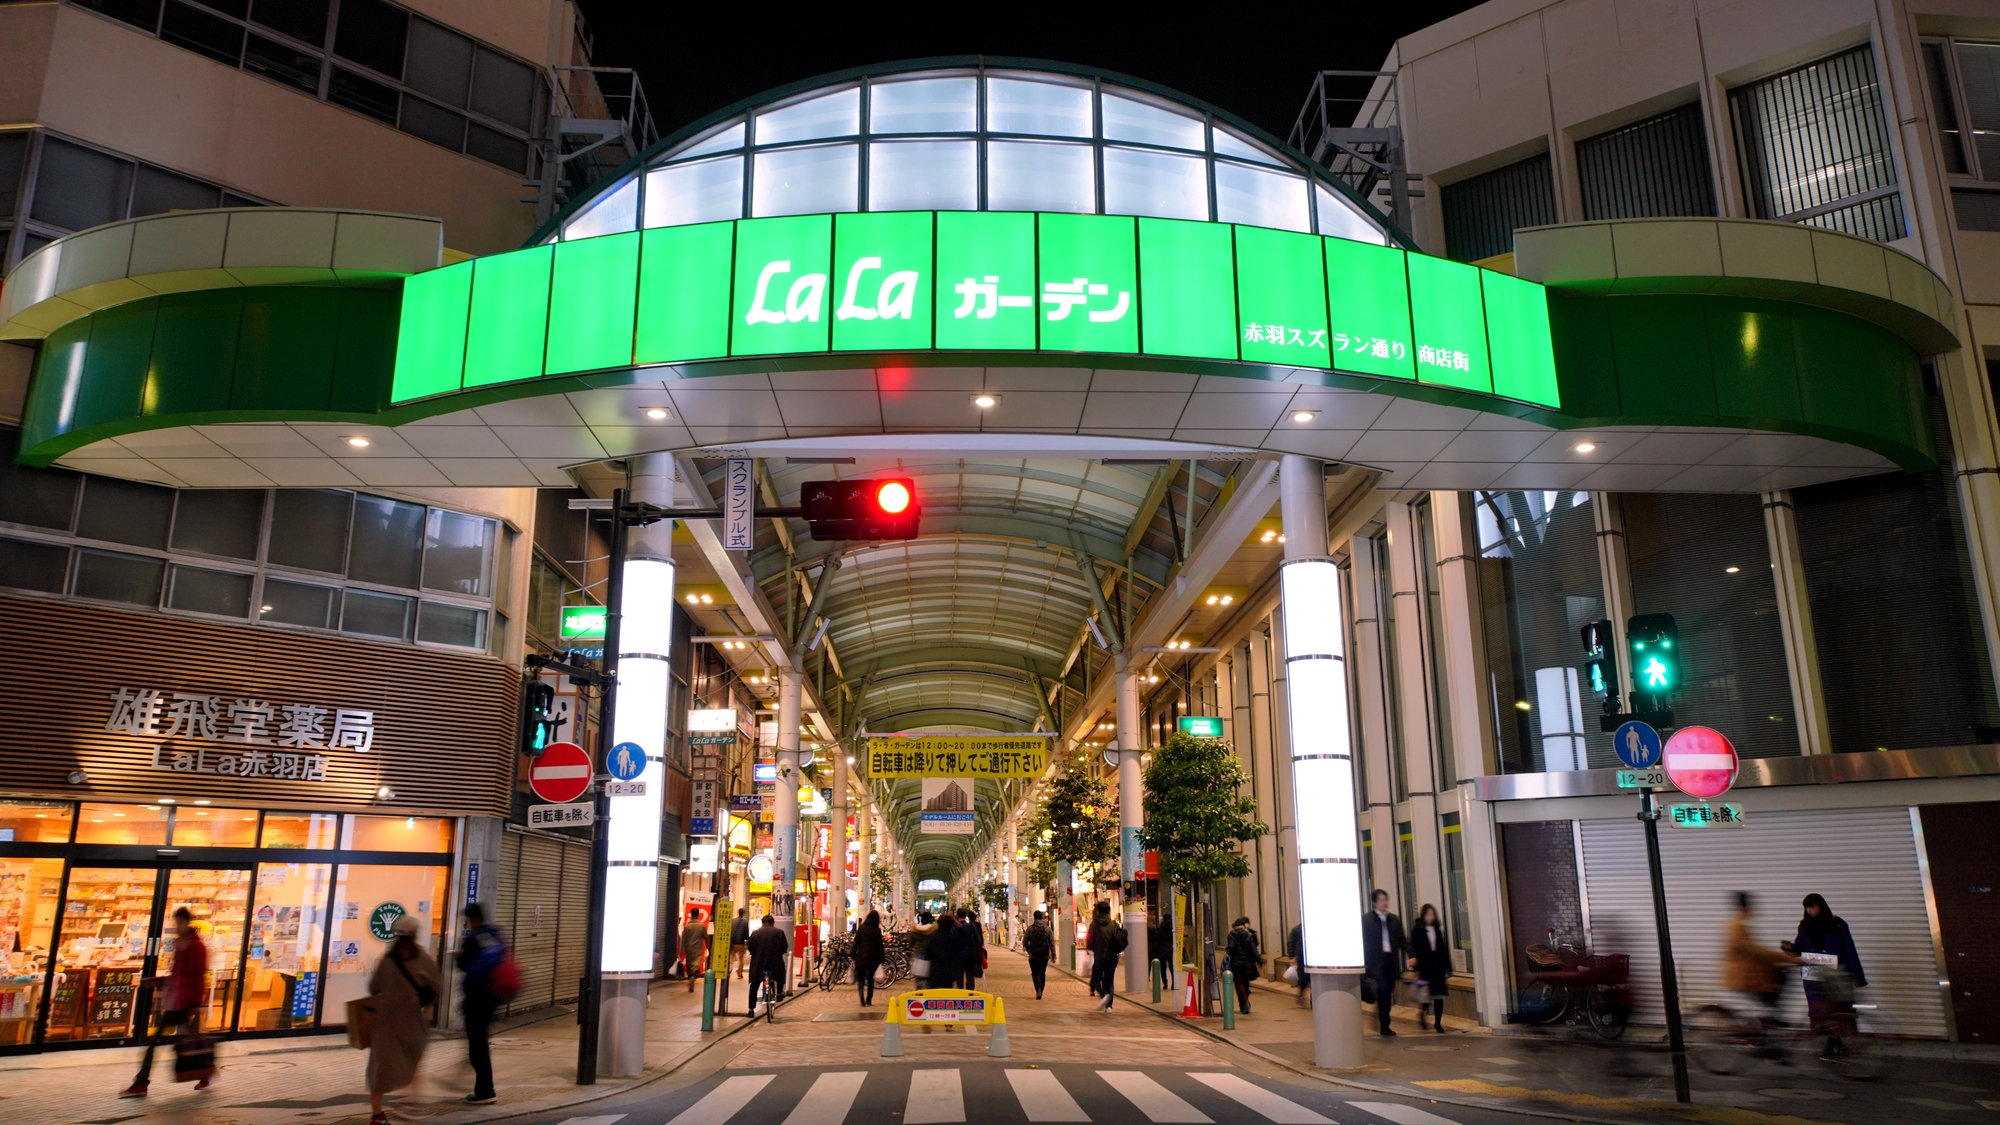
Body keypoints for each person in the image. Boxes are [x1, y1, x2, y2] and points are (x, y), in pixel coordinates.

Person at [121, 907, 212, 1098]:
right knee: (184, 1043)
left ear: (186, 923)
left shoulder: (196, 946)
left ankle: (141, 1083)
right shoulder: (181, 944)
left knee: (159, 1043)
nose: (176, 927)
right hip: (176, 1000)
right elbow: (177, 974)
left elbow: (197, 975)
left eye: (178, 923)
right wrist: (159, 982)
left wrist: (196, 1001)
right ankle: (204, 1073)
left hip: (184, 1001)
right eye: (175, 923)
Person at [366, 914, 441, 1125]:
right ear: (415, 934)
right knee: (413, 1060)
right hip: (411, 1020)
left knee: (380, 1066)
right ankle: (410, 1103)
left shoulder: (388, 959)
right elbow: (437, 986)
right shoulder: (423, 958)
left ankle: (377, 1115)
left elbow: (373, 987)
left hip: (385, 1020)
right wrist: (427, 1005)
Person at [1723, 891, 1801, 1056]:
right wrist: (1789, 959)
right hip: (1744, 978)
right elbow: (1756, 951)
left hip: (1749, 975)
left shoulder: (1738, 924)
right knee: (1773, 998)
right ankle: (1770, 1044)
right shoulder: (1737, 927)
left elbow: (1755, 952)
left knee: (1772, 998)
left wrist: (1781, 960)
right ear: (1747, 907)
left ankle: (1771, 1035)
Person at [1789, 893, 1866, 1059]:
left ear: (1821, 906)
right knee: (1824, 1010)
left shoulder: (1837, 925)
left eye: (1812, 906)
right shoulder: (1804, 927)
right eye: (1807, 907)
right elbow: (1798, 947)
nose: (1810, 910)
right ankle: (1834, 1041)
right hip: (1814, 975)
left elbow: (1849, 950)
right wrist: (1790, 949)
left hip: (1836, 973)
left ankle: (1835, 1042)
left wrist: (1857, 976)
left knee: (1839, 1008)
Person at [455, 903, 508, 1105]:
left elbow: (464, 966)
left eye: (467, 920)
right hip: (493, 997)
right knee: (481, 1042)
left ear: (472, 919)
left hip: (476, 999)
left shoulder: (472, 938)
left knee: (477, 1046)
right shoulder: (496, 933)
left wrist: (459, 957)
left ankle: (485, 1090)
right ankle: (485, 1088)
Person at [1362, 889, 1408, 1036]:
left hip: (1390, 960)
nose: (1385, 903)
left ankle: (1383, 1020)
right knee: (1382, 990)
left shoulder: (1393, 919)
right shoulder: (1367, 919)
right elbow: (1363, 941)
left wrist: (1411, 954)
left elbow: (1402, 939)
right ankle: (1384, 1024)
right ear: (1375, 902)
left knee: (1387, 993)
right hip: (1376, 962)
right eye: (1382, 900)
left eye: (1386, 899)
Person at [1410, 904, 1452, 1033]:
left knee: (1439, 996)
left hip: (1438, 966)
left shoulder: (1437, 930)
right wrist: (1415, 965)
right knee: (1426, 995)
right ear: (1423, 915)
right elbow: (1414, 948)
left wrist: (1448, 967)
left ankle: (1437, 1023)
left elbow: (1443, 949)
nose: (1431, 917)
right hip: (1425, 967)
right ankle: (1422, 1014)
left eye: (1433, 914)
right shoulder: (1418, 930)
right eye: (1428, 914)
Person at [745, 915, 789, 1014]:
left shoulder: (755, 933)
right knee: (780, 975)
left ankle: (751, 1009)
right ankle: (779, 993)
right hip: (775, 963)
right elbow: (784, 947)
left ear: (762, 923)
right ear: (773, 923)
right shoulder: (779, 932)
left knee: (754, 985)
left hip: (758, 964)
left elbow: (750, 947)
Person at [1086, 902, 1125, 1011]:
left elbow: (1090, 939)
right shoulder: (1114, 924)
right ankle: (1109, 1006)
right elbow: (1120, 938)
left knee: (1095, 979)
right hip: (1112, 956)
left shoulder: (1094, 924)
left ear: (1097, 911)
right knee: (1109, 980)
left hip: (1099, 957)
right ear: (1108, 911)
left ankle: (1104, 996)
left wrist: (1091, 949)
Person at [1226, 916, 1264, 1015]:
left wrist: (1228, 951)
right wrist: (1260, 962)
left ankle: (1244, 1004)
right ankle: (1245, 1002)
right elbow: (1253, 949)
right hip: (1248, 963)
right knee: (1246, 982)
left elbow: (1231, 948)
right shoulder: (1248, 934)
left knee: (1239, 983)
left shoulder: (1231, 934)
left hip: (1236, 963)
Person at [851, 910, 885, 1006]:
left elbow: (856, 943)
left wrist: (853, 955)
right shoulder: (877, 930)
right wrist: (882, 959)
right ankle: (869, 999)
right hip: (873, 959)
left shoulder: (861, 928)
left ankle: (861, 990)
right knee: (870, 979)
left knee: (861, 977)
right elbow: (880, 946)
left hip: (861, 957)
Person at [1022, 910, 1054, 999]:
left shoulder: (1030, 928)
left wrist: (1029, 950)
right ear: (1042, 917)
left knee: (1035, 973)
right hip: (1044, 956)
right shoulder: (1047, 929)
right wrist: (1053, 955)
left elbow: (1025, 941)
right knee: (1042, 973)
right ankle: (1041, 990)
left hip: (1033, 955)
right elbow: (1052, 942)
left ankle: (1038, 990)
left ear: (1034, 917)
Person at [678, 910, 710, 992]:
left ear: (691, 915)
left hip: (688, 949)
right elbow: (706, 938)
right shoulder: (701, 926)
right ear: (698, 915)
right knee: (695, 966)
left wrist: (681, 951)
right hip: (698, 949)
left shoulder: (687, 926)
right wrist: (709, 948)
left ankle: (690, 977)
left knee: (689, 965)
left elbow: (683, 939)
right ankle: (692, 976)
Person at [909, 910, 938, 989]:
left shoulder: (915, 931)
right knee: (929, 979)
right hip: (930, 957)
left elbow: (911, 943)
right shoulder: (934, 931)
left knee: (919, 980)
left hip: (918, 956)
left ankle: (919, 995)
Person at [959, 909, 985, 991]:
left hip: (958, 955)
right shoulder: (971, 926)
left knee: (959, 975)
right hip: (970, 954)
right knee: (970, 974)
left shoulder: (955, 927)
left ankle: (959, 992)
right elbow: (978, 940)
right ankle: (969, 993)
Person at [1287, 923, 1307, 1006]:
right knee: (1303, 978)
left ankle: (1305, 994)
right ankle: (1301, 991)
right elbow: (1291, 943)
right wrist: (1292, 956)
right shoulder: (1297, 930)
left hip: (1307, 959)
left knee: (1311, 978)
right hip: (1301, 958)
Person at [729, 907, 751, 978]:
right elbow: (746, 933)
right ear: (743, 913)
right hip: (741, 943)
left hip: (733, 943)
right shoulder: (745, 922)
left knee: (731, 958)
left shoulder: (733, 921)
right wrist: (747, 941)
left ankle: (729, 970)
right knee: (741, 959)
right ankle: (739, 973)